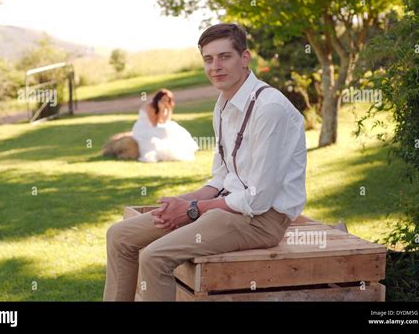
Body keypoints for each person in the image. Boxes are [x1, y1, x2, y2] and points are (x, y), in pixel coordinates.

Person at [104, 23, 307, 301]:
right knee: (119, 236)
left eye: (225, 57)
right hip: (225, 206)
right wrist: (181, 202)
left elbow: (257, 200)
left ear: (244, 58)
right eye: (208, 59)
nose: (215, 67)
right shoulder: (223, 105)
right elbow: (221, 177)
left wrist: (191, 210)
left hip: (262, 220)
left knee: (154, 257)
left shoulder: (269, 108)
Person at [132, 89, 199, 162]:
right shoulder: (149, 106)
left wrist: (169, 109)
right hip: (144, 127)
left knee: (174, 127)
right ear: (158, 98)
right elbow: (154, 123)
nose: (165, 102)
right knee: (164, 131)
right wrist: (160, 109)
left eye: (167, 100)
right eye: (163, 99)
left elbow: (165, 120)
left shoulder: (165, 105)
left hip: (155, 125)